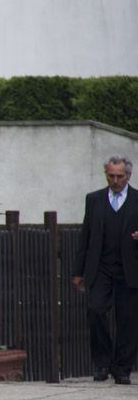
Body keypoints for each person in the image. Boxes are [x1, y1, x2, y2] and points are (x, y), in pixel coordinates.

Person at [72, 156, 138, 385]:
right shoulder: (94, 200)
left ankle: (122, 368)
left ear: (128, 176)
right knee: (96, 310)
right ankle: (102, 363)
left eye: (120, 176)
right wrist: (78, 272)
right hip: (101, 267)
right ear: (106, 175)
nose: (115, 180)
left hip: (131, 268)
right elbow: (86, 236)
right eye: (111, 176)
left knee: (128, 319)